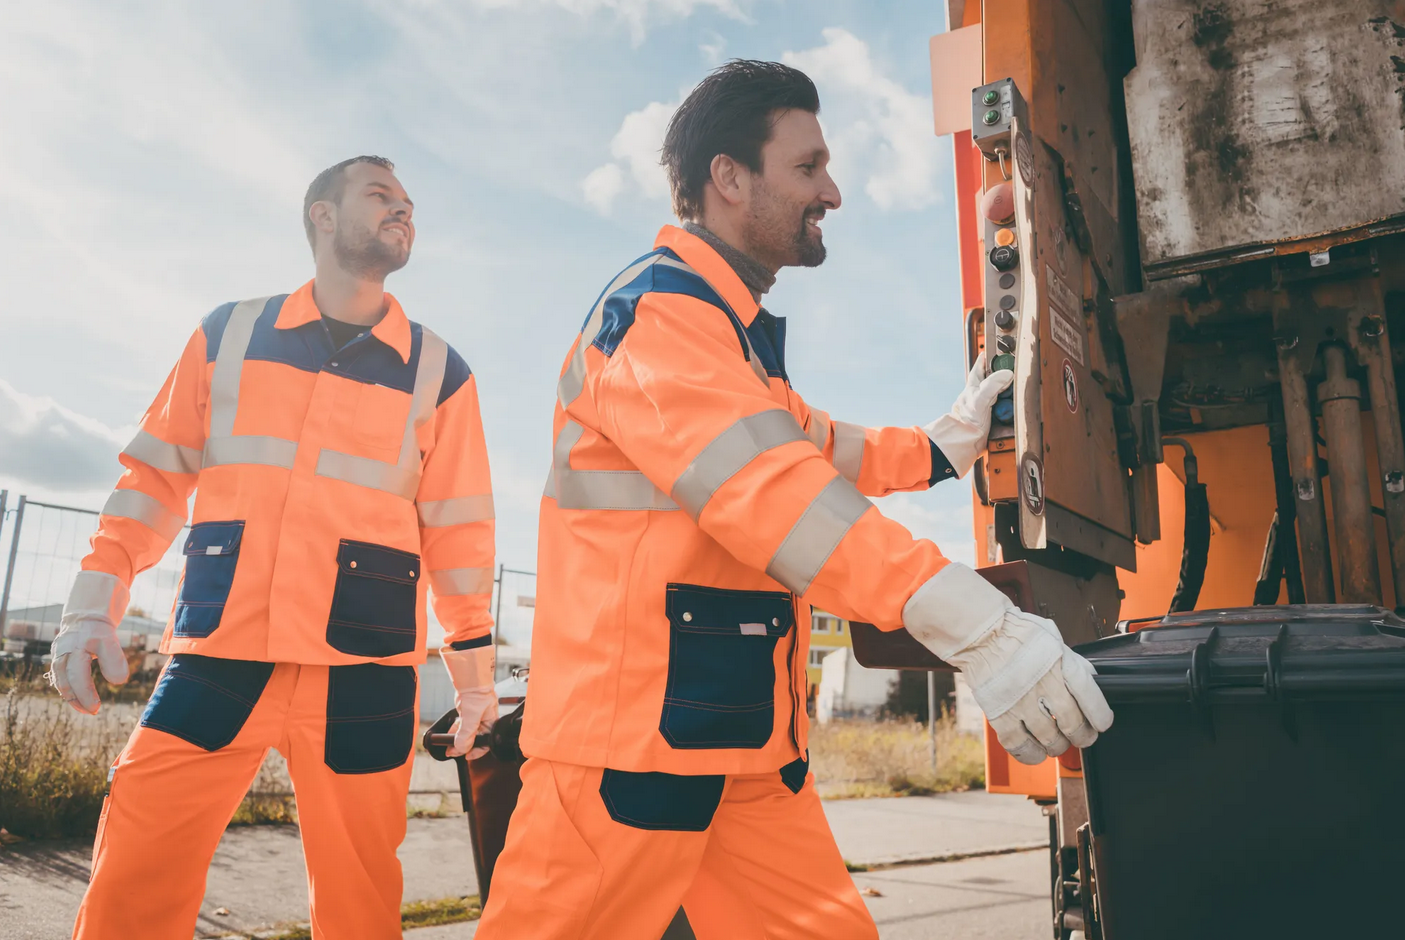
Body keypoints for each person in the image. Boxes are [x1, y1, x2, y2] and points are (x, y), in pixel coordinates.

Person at [476, 61, 1112, 940]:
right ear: (729, 179)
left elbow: (818, 449)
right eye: (808, 167)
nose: (834, 192)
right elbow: (772, 494)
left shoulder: (731, 344)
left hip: (735, 750)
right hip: (624, 760)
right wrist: (979, 626)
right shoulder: (658, 318)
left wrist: (943, 443)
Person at [50, 156, 499, 940]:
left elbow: (460, 532)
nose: (404, 209)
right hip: (222, 650)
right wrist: (94, 605)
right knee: (134, 868)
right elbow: (153, 479)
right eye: (380, 195)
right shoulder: (230, 334)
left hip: (364, 670)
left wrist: (473, 679)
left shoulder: (440, 371)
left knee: (360, 904)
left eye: (410, 203)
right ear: (322, 216)